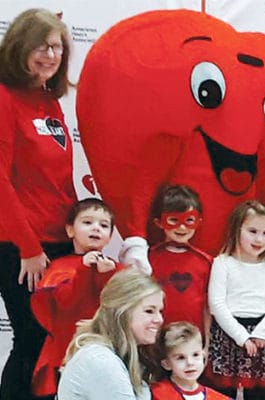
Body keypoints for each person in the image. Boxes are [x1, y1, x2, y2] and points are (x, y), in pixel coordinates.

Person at [0, 8, 76, 398]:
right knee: (30, 342)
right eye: (41, 46)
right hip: (23, 249)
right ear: (20, 47)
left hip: (59, 243)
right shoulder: (4, 98)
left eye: (57, 47)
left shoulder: (49, 100)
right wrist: (28, 249)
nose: (50, 55)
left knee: (52, 344)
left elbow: (57, 180)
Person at [30, 199, 122, 398]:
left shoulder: (116, 269)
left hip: (109, 349)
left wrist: (106, 276)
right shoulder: (59, 267)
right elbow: (65, 304)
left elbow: (121, 308)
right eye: (88, 222)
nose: (96, 228)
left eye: (103, 225)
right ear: (70, 230)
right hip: (68, 351)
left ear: (110, 236)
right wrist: (83, 270)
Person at [207, 200, 265, 399]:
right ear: (237, 230)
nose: (259, 238)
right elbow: (216, 305)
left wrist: (263, 331)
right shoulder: (223, 263)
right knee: (223, 394)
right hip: (230, 335)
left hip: (263, 337)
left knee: (260, 394)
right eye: (252, 231)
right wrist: (241, 337)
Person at [56, 269, 164, 399]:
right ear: (122, 313)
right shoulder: (99, 360)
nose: (159, 319)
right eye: (149, 311)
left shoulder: (121, 357)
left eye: (160, 311)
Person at [150, 185, 212, 339]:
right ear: (159, 222)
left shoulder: (206, 262)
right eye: (173, 220)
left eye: (189, 220)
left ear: (198, 221)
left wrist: (207, 343)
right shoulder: (149, 258)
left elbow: (208, 307)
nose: (182, 227)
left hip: (193, 342)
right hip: (156, 339)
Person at [151, 322, 229, 399]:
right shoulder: (155, 394)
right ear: (166, 364)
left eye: (195, 355)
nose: (190, 363)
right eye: (181, 357)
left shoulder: (219, 398)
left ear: (203, 355)